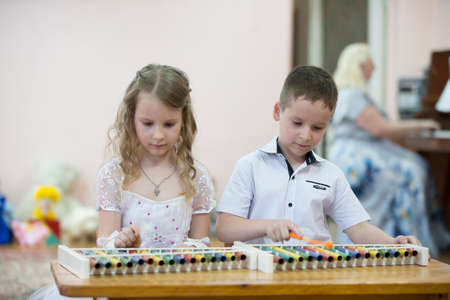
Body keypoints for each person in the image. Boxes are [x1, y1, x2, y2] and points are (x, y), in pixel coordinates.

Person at [29, 64, 215, 300]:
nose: (158, 135)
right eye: (147, 124)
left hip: (176, 283)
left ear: (183, 122)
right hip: (125, 285)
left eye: (169, 124)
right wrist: (120, 242)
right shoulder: (114, 175)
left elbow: (202, 242)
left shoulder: (195, 176)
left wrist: (187, 250)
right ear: (131, 119)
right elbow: (105, 240)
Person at [215, 65, 421, 247]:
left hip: (316, 273)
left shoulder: (331, 174)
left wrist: (394, 243)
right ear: (278, 111)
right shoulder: (250, 166)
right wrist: (267, 226)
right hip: (260, 274)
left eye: (317, 127)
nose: (306, 135)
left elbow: (358, 229)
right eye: (297, 123)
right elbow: (225, 229)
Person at [328, 43, 449, 256]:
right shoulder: (353, 94)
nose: (374, 69)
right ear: (360, 65)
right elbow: (380, 128)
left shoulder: (347, 93)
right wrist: (422, 124)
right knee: (413, 169)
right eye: (371, 64)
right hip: (360, 158)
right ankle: (410, 237)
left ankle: (411, 233)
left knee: (414, 164)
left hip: (355, 155)